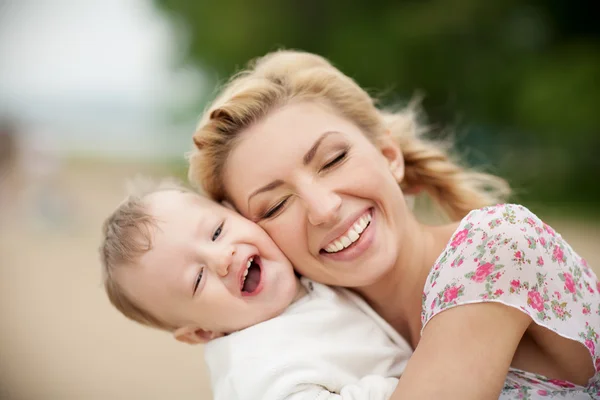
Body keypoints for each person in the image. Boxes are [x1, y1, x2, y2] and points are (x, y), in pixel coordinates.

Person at [187, 50, 600, 399]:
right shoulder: (320, 339)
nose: (324, 209)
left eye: (333, 160)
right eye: (276, 205)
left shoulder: (495, 245)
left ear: (389, 155)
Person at [99, 179, 412, 400]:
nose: (222, 258)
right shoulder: (256, 369)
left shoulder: (306, 271)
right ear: (201, 333)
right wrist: (411, 375)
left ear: (237, 213)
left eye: (217, 231)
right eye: (197, 279)